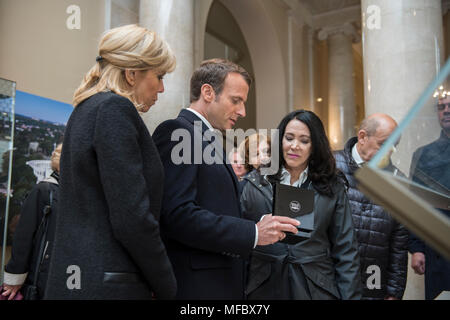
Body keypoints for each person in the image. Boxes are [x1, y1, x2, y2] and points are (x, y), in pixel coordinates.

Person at [44, 24, 177, 300]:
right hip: (108, 282)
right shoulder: (115, 110)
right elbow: (132, 217)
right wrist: (167, 283)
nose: (162, 88)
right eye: (159, 76)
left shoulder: (85, 109)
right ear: (132, 74)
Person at [152, 58, 300, 299]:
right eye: (236, 100)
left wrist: (262, 221)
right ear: (208, 92)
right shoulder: (179, 132)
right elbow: (177, 215)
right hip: (197, 287)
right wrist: (252, 233)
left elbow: (215, 206)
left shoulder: (206, 137)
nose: (242, 111)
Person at [241, 110, 362, 300]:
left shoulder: (331, 187)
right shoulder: (255, 182)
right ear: (280, 140)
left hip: (316, 288)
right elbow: (239, 243)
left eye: (304, 140)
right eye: (289, 138)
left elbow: (346, 250)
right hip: (264, 287)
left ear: (315, 146)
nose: (294, 146)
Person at [334, 113, 408, 300]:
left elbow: (399, 244)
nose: (390, 150)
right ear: (362, 137)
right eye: (383, 144)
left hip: (373, 283)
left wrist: (394, 292)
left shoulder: (398, 182)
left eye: (394, 145)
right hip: (331, 279)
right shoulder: (330, 166)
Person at [1, 144, 62, 300]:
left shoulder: (72, 192)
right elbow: (24, 235)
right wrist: (15, 277)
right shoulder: (43, 190)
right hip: (38, 276)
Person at [408, 95, 450, 300]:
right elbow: (415, 205)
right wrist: (416, 249)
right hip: (438, 251)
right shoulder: (424, 154)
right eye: (441, 107)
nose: (446, 111)